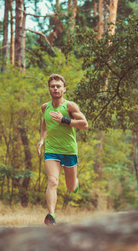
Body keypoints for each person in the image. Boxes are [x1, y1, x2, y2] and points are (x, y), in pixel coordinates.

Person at [36, 74, 88, 225]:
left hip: (69, 151)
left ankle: (76, 183)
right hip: (51, 150)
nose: (55, 88)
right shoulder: (45, 107)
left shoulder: (70, 106)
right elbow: (45, 122)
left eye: (58, 86)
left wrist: (64, 120)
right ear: (49, 89)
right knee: (52, 181)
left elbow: (84, 124)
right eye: (53, 86)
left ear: (64, 89)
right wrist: (41, 139)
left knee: (71, 187)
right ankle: (51, 216)